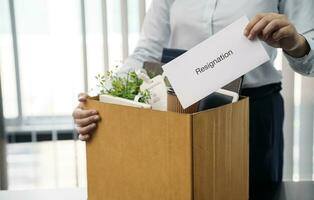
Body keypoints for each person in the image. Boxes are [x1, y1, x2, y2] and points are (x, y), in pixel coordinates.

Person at [72, 0, 314, 198]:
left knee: (257, 194)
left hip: (253, 113)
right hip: (181, 109)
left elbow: (310, 55)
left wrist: (296, 43)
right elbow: (147, 52)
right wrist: (104, 101)